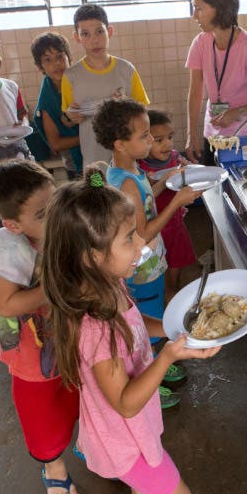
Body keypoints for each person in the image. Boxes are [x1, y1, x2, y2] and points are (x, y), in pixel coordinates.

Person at [42, 168, 221, 494]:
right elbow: (125, 403)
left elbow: (137, 328)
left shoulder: (109, 283)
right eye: (129, 239)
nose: (141, 243)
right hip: (123, 441)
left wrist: (174, 330)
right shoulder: (96, 327)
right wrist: (168, 356)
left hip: (133, 432)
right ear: (92, 256)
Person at [93, 98, 202, 406]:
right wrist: (177, 202)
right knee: (147, 320)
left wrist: (163, 185)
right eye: (144, 136)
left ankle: (157, 365)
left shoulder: (128, 170)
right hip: (140, 264)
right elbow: (141, 232)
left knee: (151, 316)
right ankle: (149, 380)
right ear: (120, 144)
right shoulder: (125, 182)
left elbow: (142, 205)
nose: (152, 140)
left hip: (146, 259)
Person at [0, 160, 80, 494]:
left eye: (56, 203)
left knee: (77, 394)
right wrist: (55, 288)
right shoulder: (9, 248)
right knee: (43, 414)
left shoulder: (56, 231)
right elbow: (7, 305)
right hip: (33, 356)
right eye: (44, 214)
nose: (55, 216)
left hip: (69, 340)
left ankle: (89, 440)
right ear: (13, 225)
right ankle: (53, 465)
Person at [185, 0, 247, 165]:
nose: (194, 15)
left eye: (199, 8)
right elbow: (195, 93)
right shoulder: (200, 43)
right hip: (213, 134)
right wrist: (191, 136)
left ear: (218, 7)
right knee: (213, 191)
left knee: (238, 191)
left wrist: (238, 112)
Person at [62, 4, 150, 167]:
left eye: (99, 32)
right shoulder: (71, 76)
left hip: (127, 157)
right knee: (97, 191)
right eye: (85, 34)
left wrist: (125, 108)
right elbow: (68, 119)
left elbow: (142, 110)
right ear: (77, 37)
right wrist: (70, 117)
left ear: (109, 31)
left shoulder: (126, 69)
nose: (94, 40)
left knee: (128, 191)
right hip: (93, 160)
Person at [139, 109, 196, 301]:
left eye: (170, 137)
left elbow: (185, 180)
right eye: (159, 140)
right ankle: (165, 301)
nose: (168, 144)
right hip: (156, 230)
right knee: (159, 273)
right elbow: (144, 198)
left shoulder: (173, 158)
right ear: (145, 140)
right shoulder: (140, 168)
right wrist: (155, 182)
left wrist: (187, 170)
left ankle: (173, 295)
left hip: (176, 225)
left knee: (176, 266)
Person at [31, 32, 83, 175]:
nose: (56, 63)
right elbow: (56, 143)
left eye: (60, 56)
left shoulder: (83, 82)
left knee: (105, 192)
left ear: (69, 57)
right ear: (40, 67)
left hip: (100, 154)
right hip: (77, 164)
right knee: (91, 191)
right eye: (48, 60)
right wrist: (88, 135)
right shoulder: (47, 101)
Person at [0, 39, 33, 162]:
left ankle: (96, 181)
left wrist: (23, 124)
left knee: (27, 179)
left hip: (18, 150)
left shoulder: (11, 86)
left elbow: (23, 115)